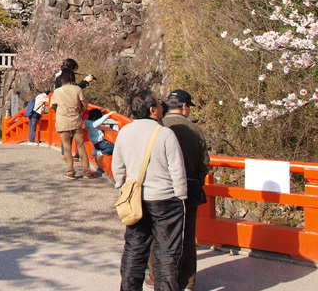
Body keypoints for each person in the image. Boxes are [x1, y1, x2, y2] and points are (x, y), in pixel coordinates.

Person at [112, 90, 187, 291]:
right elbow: (177, 168)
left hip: (136, 199)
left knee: (134, 249)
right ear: (153, 110)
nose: (162, 106)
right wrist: (181, 195)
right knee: (166, 253)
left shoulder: (125, 132)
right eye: (159, 104)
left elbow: (117, 166)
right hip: (165, 199)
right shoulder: (164, 134)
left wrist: (121, 186)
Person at [145, 89, 210, 291]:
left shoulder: (158, 127)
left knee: (159, 233)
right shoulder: (195, 130)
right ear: (184, 107)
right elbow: (204, 164)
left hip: (161, 187)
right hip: (188, 186)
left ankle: (155, 277)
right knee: (188, 236)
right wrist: (195, 181)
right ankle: (187, 281)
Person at [50, 68, 96, 179]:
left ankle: (70, 171)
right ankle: (87, 171)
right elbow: (85, 104)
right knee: (81, 145)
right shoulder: (77, 90)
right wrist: (79, 110)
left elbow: (52, 105)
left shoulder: (58, 91)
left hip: (63, 121)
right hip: (75, 119)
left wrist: (60, 111)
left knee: (66, 147)